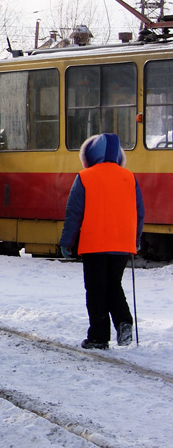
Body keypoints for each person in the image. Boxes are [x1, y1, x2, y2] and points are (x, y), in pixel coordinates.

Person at [59, 132, 144, 350]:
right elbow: (139, 213)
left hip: (95, 244)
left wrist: (67, 242)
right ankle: (124, 321)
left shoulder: (85, 176)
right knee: (113, 285)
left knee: (96, 290)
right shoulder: (129, 177)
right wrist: (135, 239)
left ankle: (98, 337)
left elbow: (74, 213)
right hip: (123, 244)